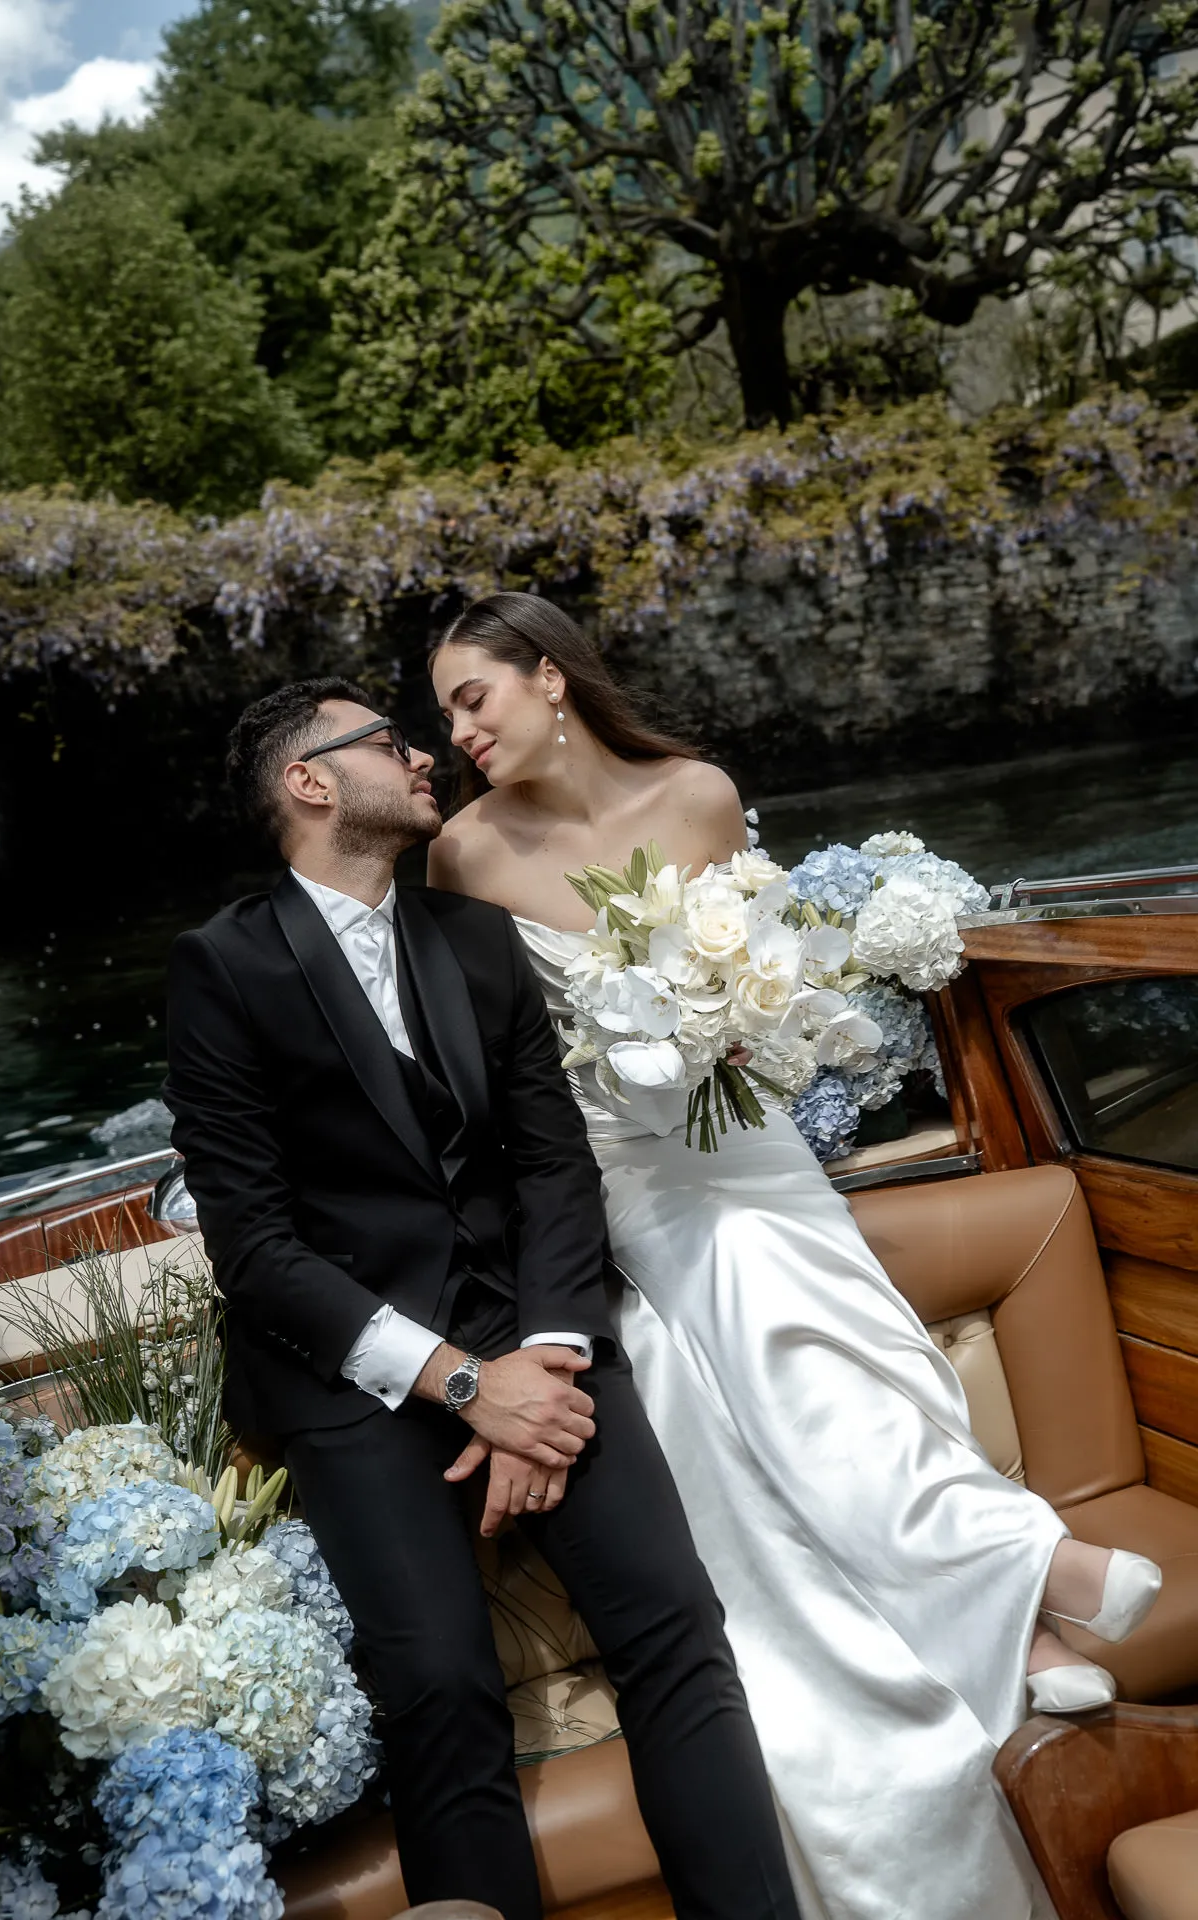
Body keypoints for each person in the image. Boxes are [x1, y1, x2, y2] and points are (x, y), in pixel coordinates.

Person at [426, 592, 1164, 1920]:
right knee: (760, 1317)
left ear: (548, 678)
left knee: (852, 1344)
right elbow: (481, 1068)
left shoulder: (697, 795)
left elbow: (754, 974)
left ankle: (1019, 1598)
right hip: (625, 1187)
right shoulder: (464, 859)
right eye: (440, 716)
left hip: (749, 1143)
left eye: (473, 698)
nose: (458, 734)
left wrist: (742, 1017)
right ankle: (1026, 1577)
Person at [162, 678, 800, 1920]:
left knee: (676, 1636)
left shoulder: (475, 940)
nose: (420, 757)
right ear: (309, 782)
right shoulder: (221, 967)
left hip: (537, 1337)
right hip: (352, 1374)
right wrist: (464, 1386)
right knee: (443, 1690)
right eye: (385, 742)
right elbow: (255, 1249)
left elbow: (551, 1164)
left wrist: (545, 1365)